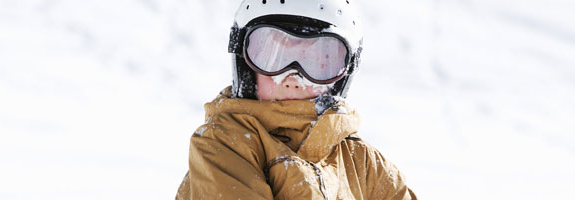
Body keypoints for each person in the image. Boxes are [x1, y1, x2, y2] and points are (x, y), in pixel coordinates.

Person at [176, 0, 416, 199]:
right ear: (246, 64)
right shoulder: (224, 144)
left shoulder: (362, 163)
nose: (293, 78)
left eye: (317, 61)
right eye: (272, 56)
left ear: (341, 75)